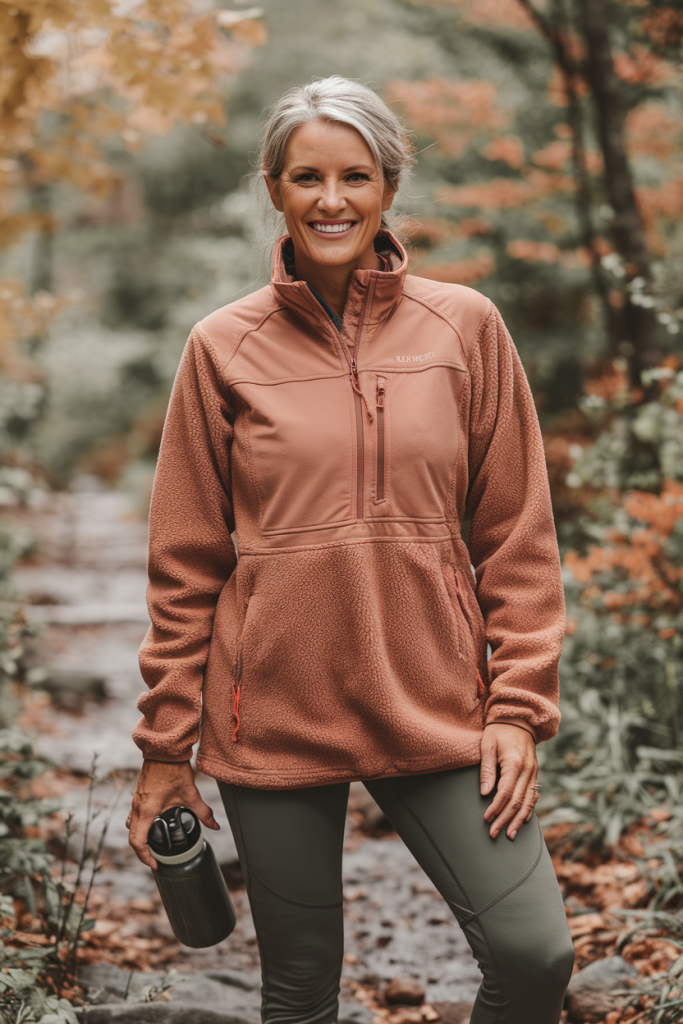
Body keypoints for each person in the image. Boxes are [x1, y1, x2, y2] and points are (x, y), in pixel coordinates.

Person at [126, 76, 574, 1024]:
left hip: (437, 701)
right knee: (298, 994)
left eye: (355, 176)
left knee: (534, 956)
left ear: (387, 186)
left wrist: (519, 707)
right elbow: (185, 565)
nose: (332, 200)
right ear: (276, 189)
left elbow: (516, 536)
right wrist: (166, 750)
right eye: (307, 177)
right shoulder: (221, 347)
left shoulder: (466, 328)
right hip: (275, 712)